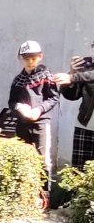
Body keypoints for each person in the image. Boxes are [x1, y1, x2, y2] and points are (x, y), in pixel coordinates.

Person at [7, 40, 71, 182]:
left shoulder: (46, 76)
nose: (30, 62)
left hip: (41, 123)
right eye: (26, 58)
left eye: (34, 58)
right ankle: (26, 190)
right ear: (20, 58)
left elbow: (54, 98)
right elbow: (12, 102)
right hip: (22, 124)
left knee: (43, 159)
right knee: (23, 158)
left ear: (40, 57)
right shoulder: (18, 80)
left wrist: (39, 110)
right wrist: (20, 107)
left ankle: (44, 192)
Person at [62, 41, 94, 168]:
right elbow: (71, 96)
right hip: (85, 126)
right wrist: (72, 73)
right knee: (79, 173)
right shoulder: (87, 67)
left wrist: (73, 77)